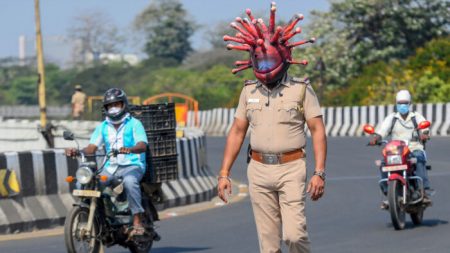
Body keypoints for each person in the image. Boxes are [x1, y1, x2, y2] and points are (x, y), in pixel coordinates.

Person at [218, 3, 327, 253]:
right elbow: (237, 132)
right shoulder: (248, 91)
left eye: (270, 62)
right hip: (257, 170)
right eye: (261, 63)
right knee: (268, 246)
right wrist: (224, 173)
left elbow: (317, 130)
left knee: (294, 235)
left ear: (283, 58)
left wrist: (319, 172)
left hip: (291, 168)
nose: (265, 69)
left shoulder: (301, 89)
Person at [66, 88, 148, 237]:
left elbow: (142, 145)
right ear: (106, 108)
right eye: (110, 105)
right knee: (85, 183)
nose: (113, 108)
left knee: (130, 182)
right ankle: (98, 216)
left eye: (117, 104)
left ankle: (137, 220)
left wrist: (129, 149)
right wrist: (77, 151)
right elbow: (92, 148)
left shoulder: (134, 124)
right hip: (110, 167)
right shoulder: (103, 127)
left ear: (123, 105)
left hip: (133, 165)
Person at [370, 90, 432, 205]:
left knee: (418, 159)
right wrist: (376, 138)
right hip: (396, 150)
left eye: (405, 103)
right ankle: (388, 192)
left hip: (414, 148)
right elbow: (383, 130)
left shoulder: (416, 117)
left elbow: (425, 127)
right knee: (383, 163)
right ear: (396, 104)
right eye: (400, 103)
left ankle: (423, 190)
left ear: (409, 103)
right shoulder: (392, 118)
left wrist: (424, 134)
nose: (402, 105)